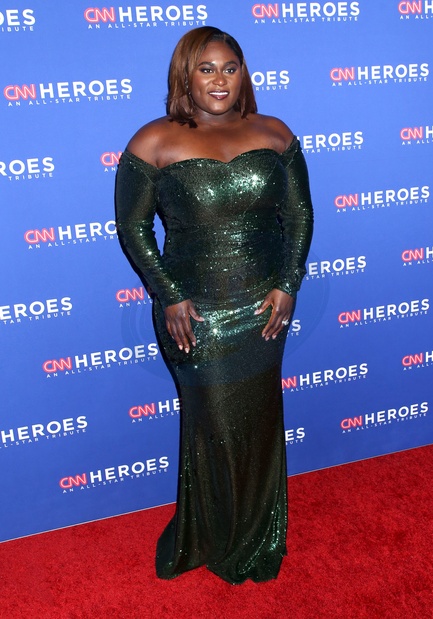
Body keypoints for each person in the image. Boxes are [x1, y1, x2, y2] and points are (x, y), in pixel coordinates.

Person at [115, 26, 313, 584]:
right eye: (206, 69)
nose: (220, 80)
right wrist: (169, 293)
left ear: (243, 73)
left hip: (264, 308)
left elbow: (300, 216)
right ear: (186, 76)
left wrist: (289, 283)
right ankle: (214, 531)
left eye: (230, 67)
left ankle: (256, 532)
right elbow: (133, 228)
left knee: (259, 418)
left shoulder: (275, 132)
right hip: (195, 314)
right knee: (216, 423)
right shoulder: (153, 141)